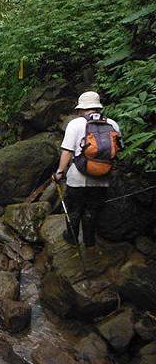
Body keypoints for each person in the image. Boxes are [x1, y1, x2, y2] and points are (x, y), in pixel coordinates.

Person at [54, 91, 121, 247]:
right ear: (98, 107)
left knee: (74, 209)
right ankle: (89, 241)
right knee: (92, 210)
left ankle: (72, 238)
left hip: (78, 177)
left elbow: (67, 152)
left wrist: (59, 172)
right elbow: (116, 151)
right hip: (102, 178)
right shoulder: (112, 124)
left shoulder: (75, 124)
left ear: (81, 109)